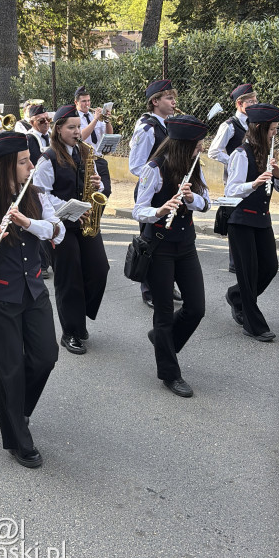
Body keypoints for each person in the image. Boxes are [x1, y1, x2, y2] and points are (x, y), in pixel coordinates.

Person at [0, 131, 65, 468]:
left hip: (34, 290)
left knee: (45, 356)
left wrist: (28, 223)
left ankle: (18, 410)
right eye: (23, 162)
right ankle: (19, 439)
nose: (31, 166)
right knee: (10, 370)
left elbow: (58, 231)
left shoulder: (36, 195)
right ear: (6, 166)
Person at [133, 115, 210, 398]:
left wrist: (191, 199)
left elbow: (207, 202)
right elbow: (138, 210)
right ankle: (170, 373)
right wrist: (160, 211)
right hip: (160, 246)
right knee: (164, 313)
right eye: (197, 144)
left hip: (186, 244)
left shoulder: (193, 165)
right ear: (183, 145)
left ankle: (162, 342)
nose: (201, 148)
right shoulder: (154, 169)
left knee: (196, 308)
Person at [33, 104, 110, 354]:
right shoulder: (47, 159)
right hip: (60, 224)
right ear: (58, 129)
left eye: (78, 127)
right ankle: (71, 332)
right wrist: (70, 206)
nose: (78, 132)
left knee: (99, 269)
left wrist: (97, 184)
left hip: (85, 221)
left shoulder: (85, 152)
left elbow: (96, 185)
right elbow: (41, 196)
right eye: (72, 127)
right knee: (69, 279)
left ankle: (79, 317)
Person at [224, 103, 279, 342]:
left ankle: (236, 296)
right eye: (272, 129)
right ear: (259, 128)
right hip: (241, 220)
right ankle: (253, 324)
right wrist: (254, 183)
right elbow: (231, 190)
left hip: (262, 218)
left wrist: (277, 175)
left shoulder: (268, 153)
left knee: (269, 267)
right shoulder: (241, 153)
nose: (274, 134)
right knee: (248, 273)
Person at [128, 78, 181, 308]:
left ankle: (167, 284)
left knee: (169, 241)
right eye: (169, 98)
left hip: (169, 190)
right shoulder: (147, 128)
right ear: (155, 101)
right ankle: (149, 289)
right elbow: (136, 166)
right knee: (150, 243)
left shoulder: (169, 125)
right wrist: (156, 178)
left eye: (173, 97)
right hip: (151, 191)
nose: (173, 102)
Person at [208, 83, 258, 273]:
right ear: (239, 103)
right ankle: (235, 261)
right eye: (250, 101)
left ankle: (251, 257)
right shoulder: (229, 125)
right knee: (236, 218)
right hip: (234, 179)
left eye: (255, 101)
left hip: (253, 177)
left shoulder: (254, 123)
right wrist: (235, 162)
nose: (254, 104)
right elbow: (214, 151)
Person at [26, 104, 52, 278]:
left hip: (50, 184)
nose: (46, 123)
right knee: (39, 221)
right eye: (41, 121)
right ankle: (42, 264)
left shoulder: (51, 135)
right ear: (32, 122)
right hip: (35, 185)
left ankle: (51, 260)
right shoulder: (29, 139)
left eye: (47, 119)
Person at [74, 85, 113, 197]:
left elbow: (109, 134)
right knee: (90, 193)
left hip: (99, 159)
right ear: (76, 102)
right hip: (85, 161)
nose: (87, 104)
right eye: (84, 101)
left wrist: (107, 120)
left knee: (106, 191)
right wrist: (95, 119)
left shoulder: (93, 116)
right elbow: (81, 137)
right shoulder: (75, 118)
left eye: (88, 100)